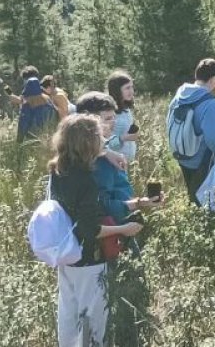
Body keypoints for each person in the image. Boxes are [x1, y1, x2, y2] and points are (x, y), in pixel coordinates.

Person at [48, 114, 142, 347]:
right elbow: (90, 229)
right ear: (89, 142)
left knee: (68, 314)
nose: (103, 140)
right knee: (93, 321)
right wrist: (124, 229)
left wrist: (106, 153)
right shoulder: (87, 181)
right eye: (99, 137)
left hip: (66, 256)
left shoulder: (59, 169)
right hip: (90, 258)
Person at [76, 92, 163, 225]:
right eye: (108, 119)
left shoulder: (103, 150)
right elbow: (103, 207)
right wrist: (139, 203)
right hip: (111, 229)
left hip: (120, 222)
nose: (114, 123)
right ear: (89, 122)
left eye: (114, 117)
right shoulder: (98, 162)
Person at [166, 59, 215, 205]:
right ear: (213, 79)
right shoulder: (211, 103)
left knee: (192, 197)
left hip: (181, 155)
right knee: (203, 202)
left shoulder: (180, 94)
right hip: (200, 160)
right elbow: (213, 140)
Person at [107, 71, 138, 162]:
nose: (131, 91)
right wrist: (124, 138)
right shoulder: (109, 113)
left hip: (126, 163)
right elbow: (106, 145)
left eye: (132, 87)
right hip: (114, 163)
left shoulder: (126, 109)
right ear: (117, 90)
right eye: (127, 88)